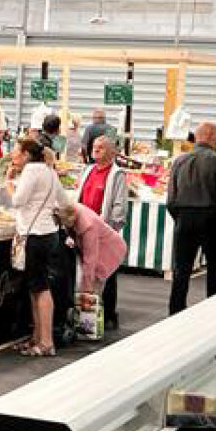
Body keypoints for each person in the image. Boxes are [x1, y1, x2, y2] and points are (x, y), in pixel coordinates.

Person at [166, 122, 216, 314]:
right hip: (211, 218)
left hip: (184, 218)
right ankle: (214, 311)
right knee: (214, 269)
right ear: (212, 137)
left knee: (181, 269)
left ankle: (175, 310)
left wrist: (179, 217)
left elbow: (171, 198)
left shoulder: (179, 161)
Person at [10, 138, 66, 357]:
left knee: (40, 288)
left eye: (15, 150)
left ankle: (46, 342)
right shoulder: (49, 171)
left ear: (25, 154)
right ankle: (37, 338)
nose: (12, 155)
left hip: (35, 235)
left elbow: (18, 201)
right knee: (36, 287)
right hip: (49, 232)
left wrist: (9, 184)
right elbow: (63, 199)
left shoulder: (31, 171)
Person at [78, 136, 130, 330]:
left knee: (108, 272)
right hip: (84, 229)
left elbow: (119, 207)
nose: (95, 150)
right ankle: (86, 313)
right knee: (86, 271)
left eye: (100, 148)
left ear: (111, 152)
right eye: (94, 147)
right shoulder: (88, 170)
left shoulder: (117, 175)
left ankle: (109, 313)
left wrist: (110, 228)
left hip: (104, 231)